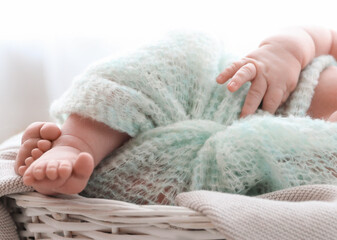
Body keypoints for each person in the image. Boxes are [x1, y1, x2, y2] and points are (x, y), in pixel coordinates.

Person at [13, 26, 337, 197]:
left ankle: (82, 178)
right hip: (221, 92)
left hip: (249, 165)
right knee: (177, 57)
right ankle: (76, 143)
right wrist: (285, 52)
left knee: (180, 180)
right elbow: (321, 36)